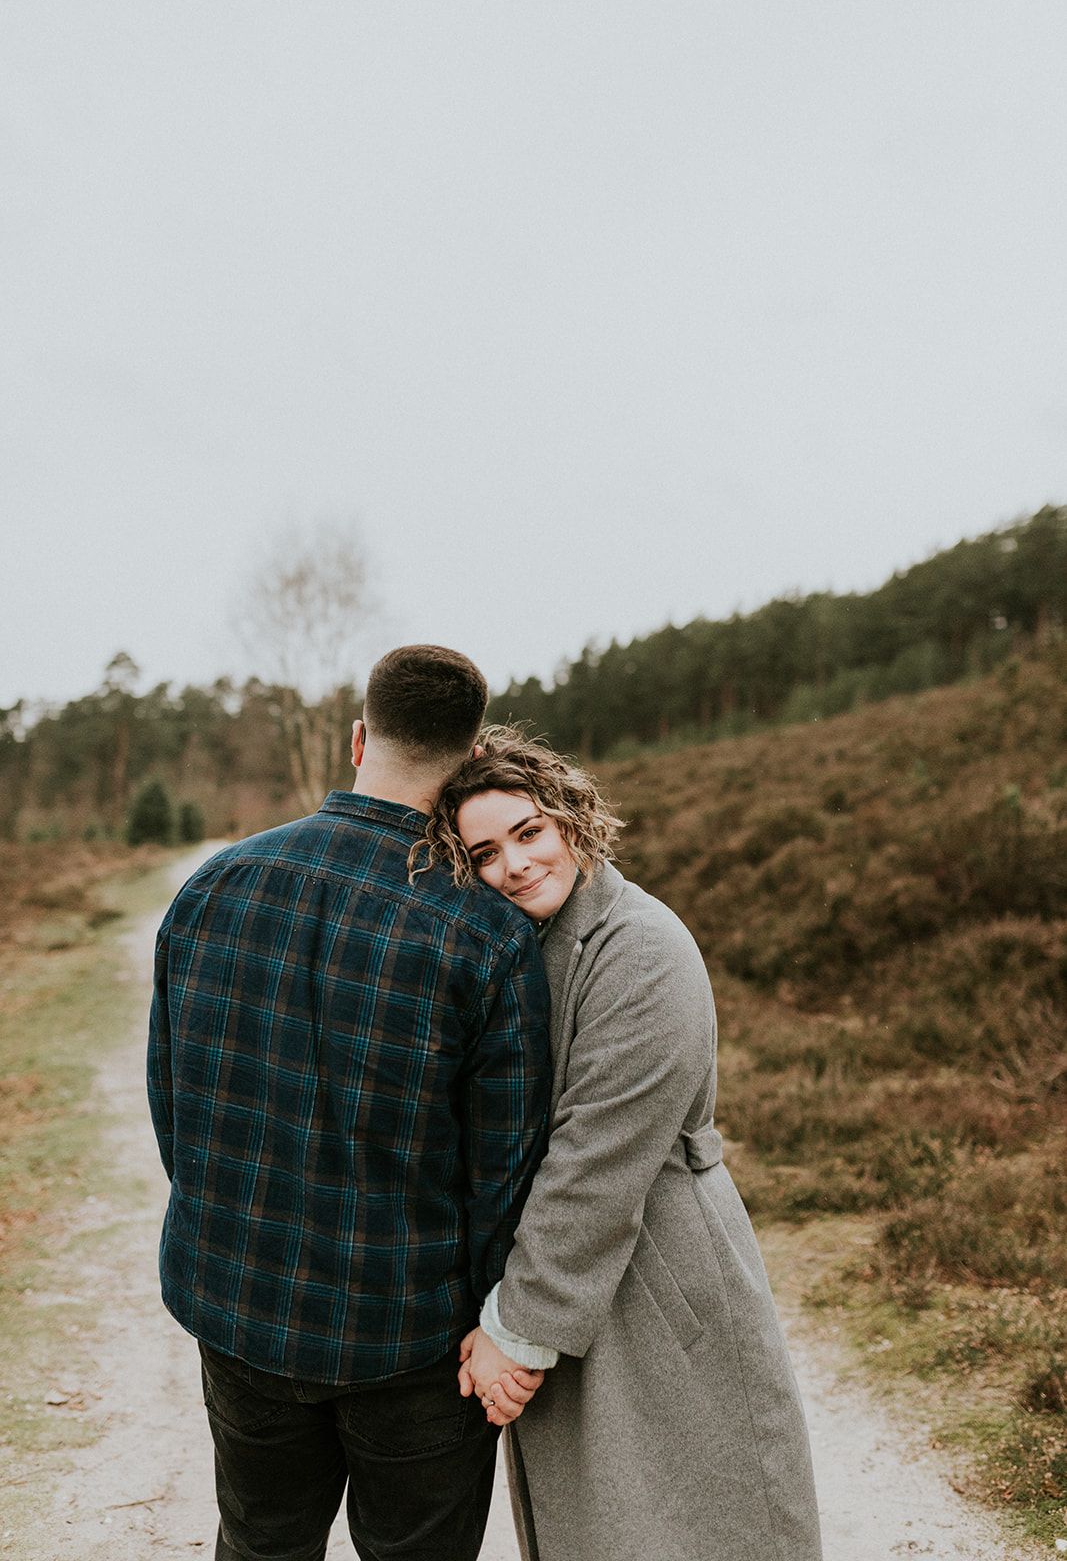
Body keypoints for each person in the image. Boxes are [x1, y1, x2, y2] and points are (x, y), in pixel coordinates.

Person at [147, 648, 553, 1561]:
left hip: (239, 1308)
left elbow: (175, 1113)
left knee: (259, 1545)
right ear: (471, 753)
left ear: (359, 738)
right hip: (411, 1342)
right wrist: (488, 1318)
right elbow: (504, 1175)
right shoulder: (486, 935)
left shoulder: (214, 886)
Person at [415, 727, 824, 1561]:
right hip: (576, 1263)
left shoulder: (640, 947)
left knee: (689, 1513)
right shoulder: (521, 942)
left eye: (529, 832)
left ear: (568, 817)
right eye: (485, 853)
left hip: (655, 1259)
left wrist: (517, 1333)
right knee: (607, 1518)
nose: (517, 864)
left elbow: (599, 1156)